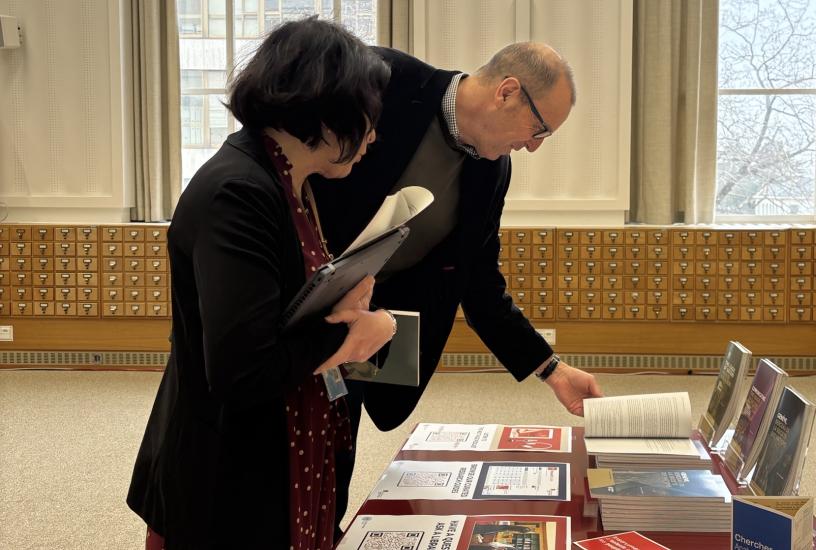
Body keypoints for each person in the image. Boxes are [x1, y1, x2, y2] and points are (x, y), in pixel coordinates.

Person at [310, 43, 605, 527]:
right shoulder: (384, 80)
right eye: (540, 129)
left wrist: (552, 369)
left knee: (333, 459)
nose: (535, 146)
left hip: (368, 335)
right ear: (507, 93)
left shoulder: (491, 170)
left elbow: (481, 284)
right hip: (298, 309)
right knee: (267, 464)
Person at [127, 19, 393, 550]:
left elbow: (276, 308)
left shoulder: (285, 179)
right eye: (368, 118)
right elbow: (242, 368)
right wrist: (349, 339)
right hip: (225, 472)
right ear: (328, 109)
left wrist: (336, 302)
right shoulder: (238, 191)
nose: (373, 135)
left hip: (272, 449)